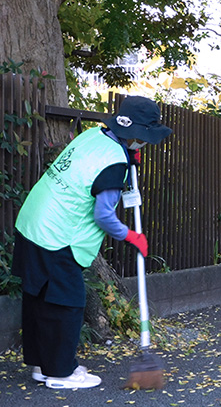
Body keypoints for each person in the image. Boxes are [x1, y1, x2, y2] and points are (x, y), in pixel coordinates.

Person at [11, 96, 172, 389]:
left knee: (38, 298)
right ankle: (60, 374)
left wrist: (126, 154)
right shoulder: (114, 162)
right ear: (138, 135)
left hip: (33, 220)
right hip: (58, 235)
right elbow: (103, 216)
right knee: (67, 303)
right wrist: (130, 236)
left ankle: (42, 366)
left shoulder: (92, 135)